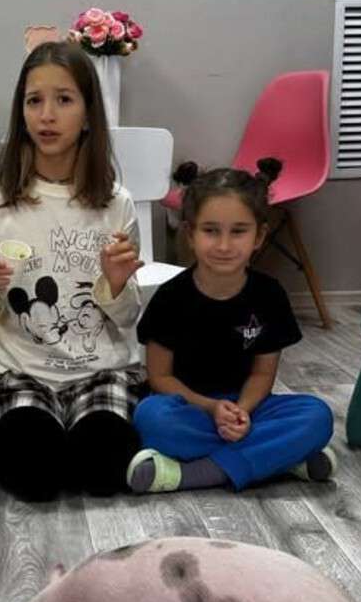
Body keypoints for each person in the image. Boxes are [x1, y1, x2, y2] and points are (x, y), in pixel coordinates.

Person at [0, 40, 145, 501]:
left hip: (101, 372)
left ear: (88, 113)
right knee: (34, 478)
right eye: (34, 100)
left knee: (102, 475)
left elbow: (127, 318)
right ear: (20, 112)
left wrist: (116, 283)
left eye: (63, 99)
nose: (46, 116)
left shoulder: (116, 203)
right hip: (20, 372)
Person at [128, 159, 335, 494]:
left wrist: (242, 412)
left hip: (250, 407)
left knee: (317, 416)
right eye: (211, 231)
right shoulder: (170, 298)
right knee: (151, 418)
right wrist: (212, 408)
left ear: (259, 235)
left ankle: (199, 472)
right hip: (190, 407)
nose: (224, 246)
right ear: (191, 234)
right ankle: (277, 458)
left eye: (238, 231)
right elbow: (160, 377)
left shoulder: (269, 295)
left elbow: (262, 374)